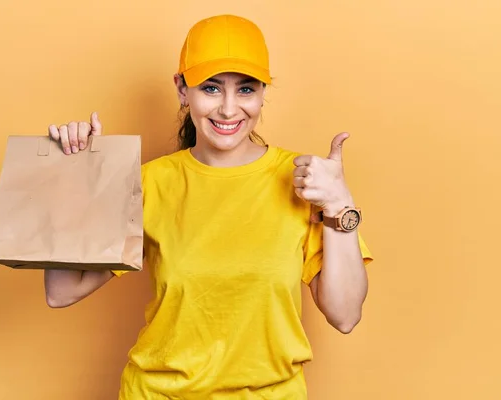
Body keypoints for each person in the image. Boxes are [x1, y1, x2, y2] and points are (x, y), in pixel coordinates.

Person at [44, 14, 373, 400]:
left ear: (264, 92)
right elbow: (62, 290)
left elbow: (346, 315)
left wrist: (340, 205)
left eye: (246, 90)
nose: (229, 109)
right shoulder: (148, 183)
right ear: (182, 89)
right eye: (212, 88)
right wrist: (74, 179)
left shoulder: (305, 181)